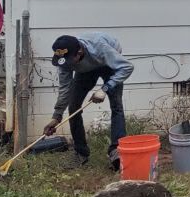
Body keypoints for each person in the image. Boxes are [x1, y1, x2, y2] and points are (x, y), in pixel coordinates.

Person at [44, 32, 133, 169]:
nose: (66, 65)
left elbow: (127, 67)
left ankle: (117, 150)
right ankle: (81, 153)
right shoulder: (65, 63)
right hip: (85, 69)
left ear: (79, 52)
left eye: (69, 61)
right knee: (74, 107)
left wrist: (105, 89)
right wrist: (57, 116)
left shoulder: (100, 48)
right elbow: (65, 88)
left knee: (116, 106)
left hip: (107, 63)